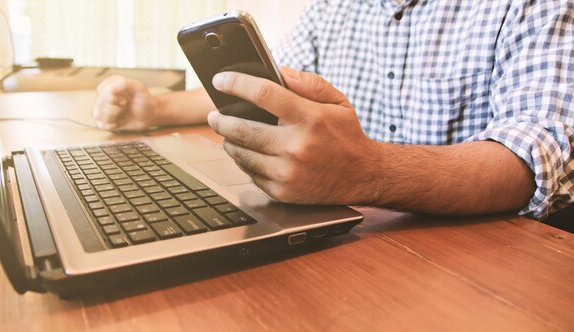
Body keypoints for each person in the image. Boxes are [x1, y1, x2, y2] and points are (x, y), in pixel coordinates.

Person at [92, 0, 574, 225]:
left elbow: (531, 161)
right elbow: (265, 88)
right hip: (353, 244)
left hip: (478, 269)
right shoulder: (332, 9)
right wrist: (154, 107)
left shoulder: (533, 5)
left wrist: (369, 172)